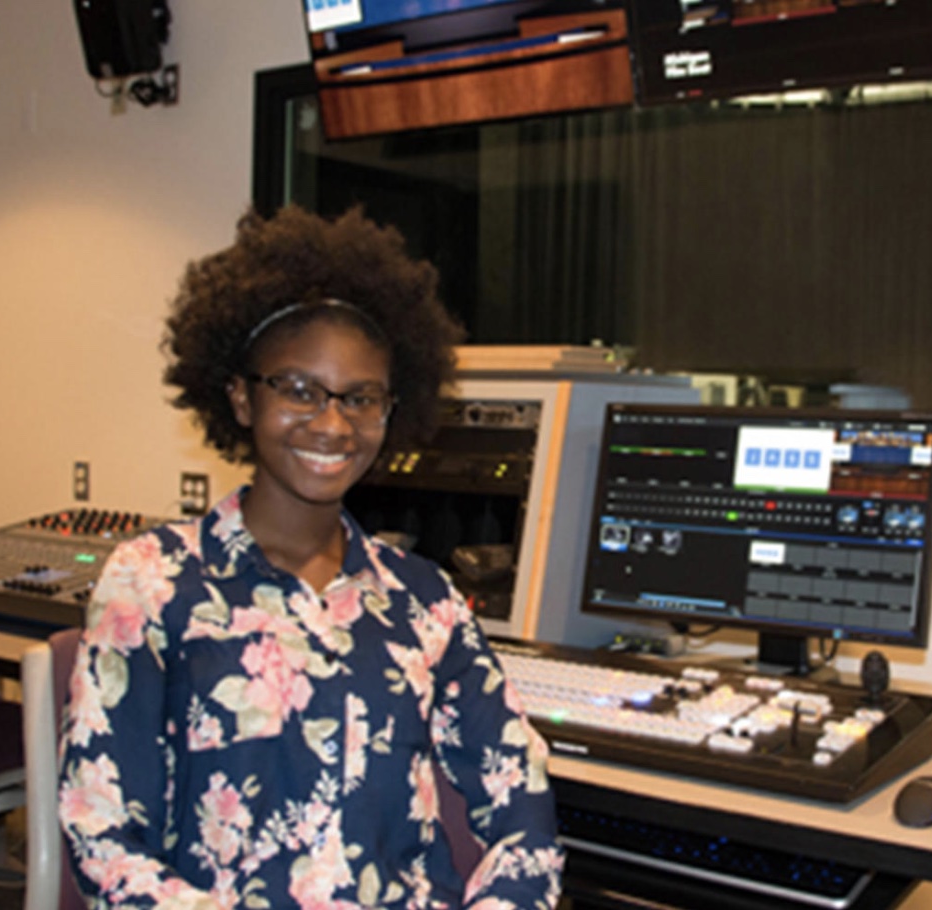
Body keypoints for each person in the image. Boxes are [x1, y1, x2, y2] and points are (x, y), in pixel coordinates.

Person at [58, 206, 563, 909]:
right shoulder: (151, 580)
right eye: (299, 390)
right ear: (240, 397)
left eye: (361, 399)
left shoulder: (426, 598)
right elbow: (103, 837)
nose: (332, 424)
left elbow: (523, 809)